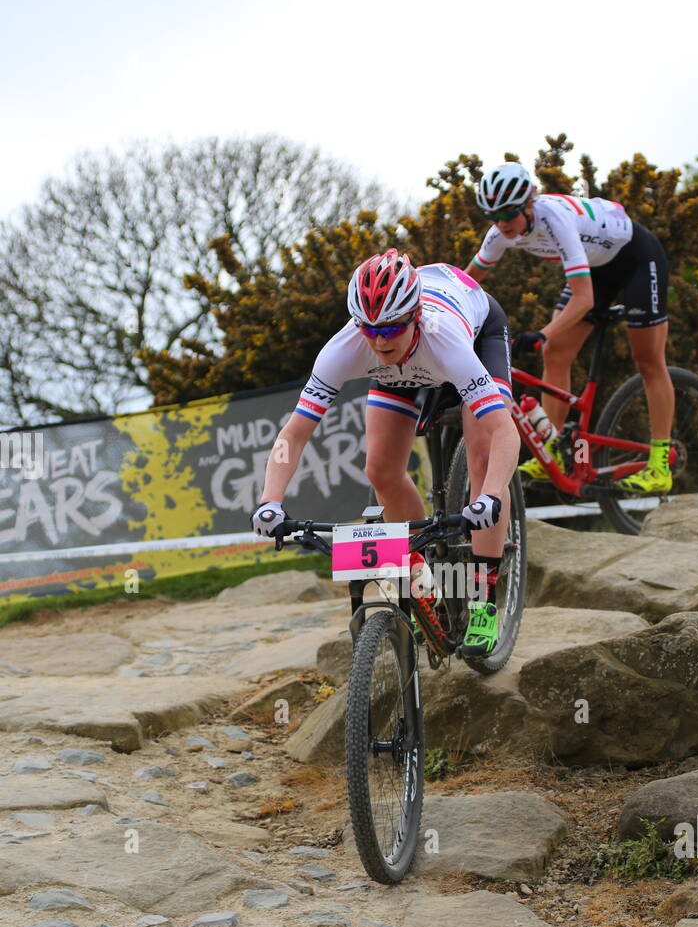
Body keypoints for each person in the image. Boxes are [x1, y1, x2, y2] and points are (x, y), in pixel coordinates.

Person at [251, 249, 520, 656]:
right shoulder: (348, 347)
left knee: (482, 461)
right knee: (379, 469)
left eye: (390, 328)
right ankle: (421, 581)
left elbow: (504, 431)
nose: (379, 340)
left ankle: (483, 604)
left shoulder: (445, 339)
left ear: (414, 316)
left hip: (476, 334)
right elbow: (296, 432)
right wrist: (270, 500)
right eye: (369, 329)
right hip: (402, 371)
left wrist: (492, 495)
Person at [464, 162, 675, 493]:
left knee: (647, 359)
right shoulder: (499, 235)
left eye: (509, 213)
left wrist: (542, 332)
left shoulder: (554, 218)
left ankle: (660, 464)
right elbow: (467, 283)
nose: (502, 223)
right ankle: (558, 451)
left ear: (528, 204)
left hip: (636, 258)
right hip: (597, 267)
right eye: (494, 216)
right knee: (556, 352)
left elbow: (583, 298)